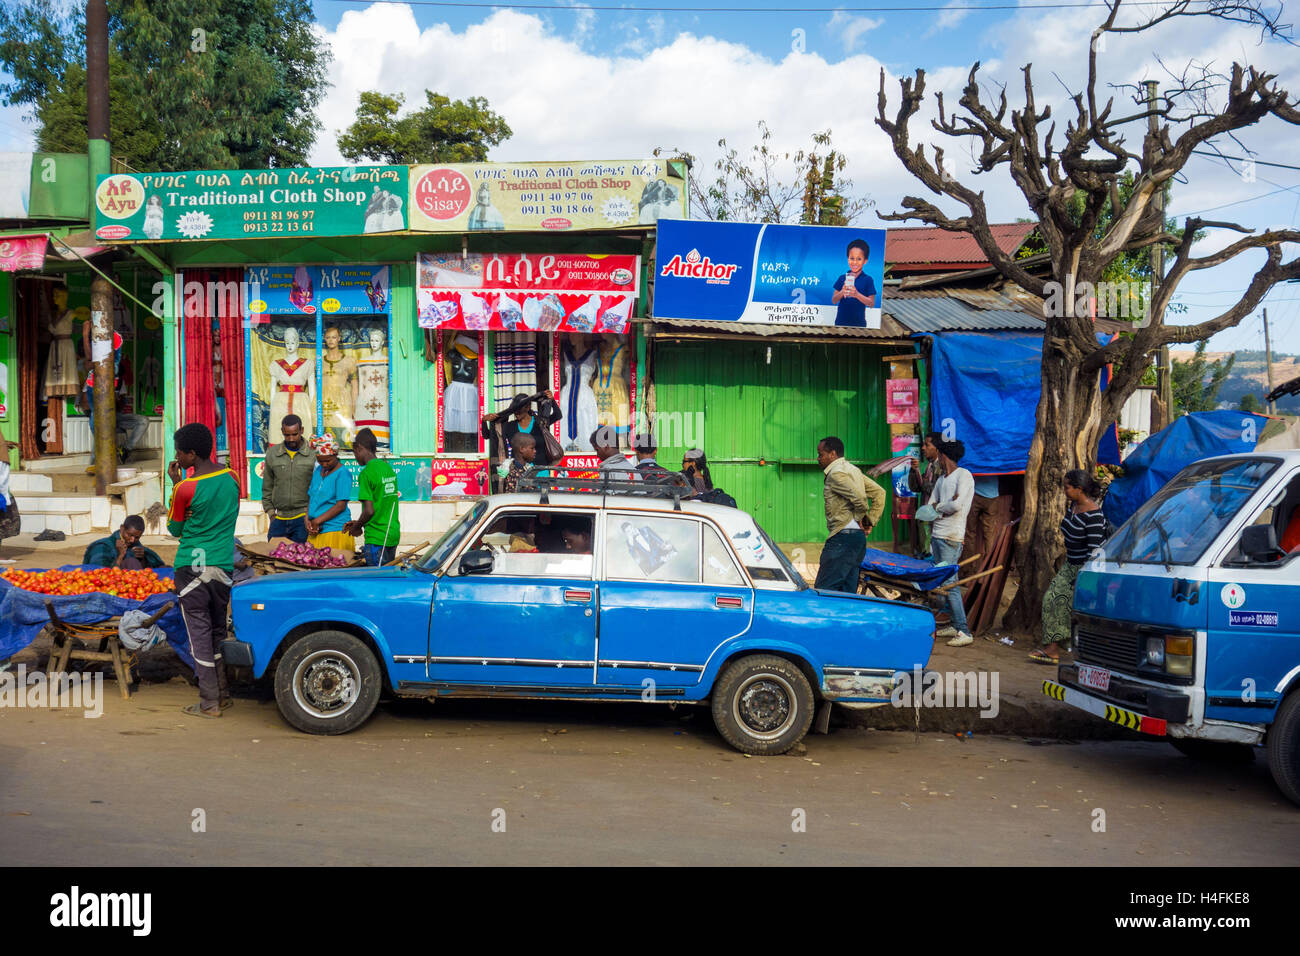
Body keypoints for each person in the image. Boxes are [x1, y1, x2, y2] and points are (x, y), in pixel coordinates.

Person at [167, 423, 240, 718]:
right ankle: (222, 694)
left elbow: (175, 528)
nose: (177, 458)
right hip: (223, 566)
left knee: (199, 638)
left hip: (192, 566)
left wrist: (174, 485)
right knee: (218, 631)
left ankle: (209, 702)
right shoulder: (232, 477)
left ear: (192, 455)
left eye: (179, 453)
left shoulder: (186, 487)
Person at [1032, 469, 1108, 665]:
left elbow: (1095, 551)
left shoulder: (1094, 516)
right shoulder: (1073, 506)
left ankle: (1056, 648)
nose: (1064, 490)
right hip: (1070, 564)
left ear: (1079, 489)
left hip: (1085, 570)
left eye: (1067, 487)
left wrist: (1081, 578)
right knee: (1052, 599)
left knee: (1063, 603)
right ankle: (1054, 647)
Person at [815, 436, 885, 593]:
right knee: (847, 592)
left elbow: (860, 499)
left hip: (842, 538)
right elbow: (880, 493)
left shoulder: (835, 474)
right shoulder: (853, 470)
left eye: (821, 454)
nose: (818, 458)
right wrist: (869, 522)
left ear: (832, 454)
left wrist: (861, 519)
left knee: (825, 590)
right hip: (856, 539)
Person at [927, 439, 975, 646]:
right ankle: (956, 625)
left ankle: (964, 631)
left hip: (952, 536)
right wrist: (942, 506)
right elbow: (930, 507)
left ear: (942, 456)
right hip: (938, 535)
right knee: (944, 581)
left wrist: (940, 506)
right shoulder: (941, 481)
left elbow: (956, 506)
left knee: (950, 583)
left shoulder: (964, 476)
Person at [344, 427, 401, 566]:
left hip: (376, 539)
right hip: (392, 534)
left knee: (377, 582)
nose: (355, 457)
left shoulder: (366, 473)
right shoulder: (387, 468)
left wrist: (356, 527)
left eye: (354, 453)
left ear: (359, 448)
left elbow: (369, 511)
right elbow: (380, 505)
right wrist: (358, 522)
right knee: (387, 579)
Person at [261, 414, 317, 543]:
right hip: (279, 518)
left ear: (302, 430)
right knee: (273, 558)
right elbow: (267, 486)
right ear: (282, 432)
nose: (291, 439)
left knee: (301, 560)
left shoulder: (313, 455)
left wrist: (312, 516)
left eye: (295, 434)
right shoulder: (272, 453)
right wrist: (271, 513)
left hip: (303, 518)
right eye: (287, 435)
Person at [482, 391, 562, 467]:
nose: (516, 412)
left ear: (528, 407)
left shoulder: (540, 423)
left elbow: (558, 415)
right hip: (519, 473)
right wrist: (484, 421)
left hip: (540, 471)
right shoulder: (510, 426)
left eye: (519, 409)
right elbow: (487, 435)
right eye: (514, 409)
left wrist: (552, 400)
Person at [305, 435, 355, 552]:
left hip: (335, 530)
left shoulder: (343, 473)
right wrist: (307, 519)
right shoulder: (318, 471)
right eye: (320, 461)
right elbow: (311, 497)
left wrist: (317, 520)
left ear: (335, 455)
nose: (324, 464)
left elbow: (340, 505)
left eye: (328, 461)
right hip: (316, 530)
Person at [82, 515, 165, 569]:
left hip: (135, 585)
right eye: (129, 535)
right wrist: (120, 556)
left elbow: (146, 570)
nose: (132, 540)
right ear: (122, 528)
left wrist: (142, 559)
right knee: (131, 562)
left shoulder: (136, 546)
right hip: (112, 587)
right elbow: (99, 574)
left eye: (137, 537)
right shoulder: (102, 546)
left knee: (165, 568)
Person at [908, 432, 944, 557]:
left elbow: (935, 490)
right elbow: (915, 487)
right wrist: (914, 471)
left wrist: (921, 478)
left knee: (932, 552)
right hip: (926, 516)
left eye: (927, 445)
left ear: (937, 448)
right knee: (925, 550)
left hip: (934, 518)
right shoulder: (928, 465)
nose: (923, 448)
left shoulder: (942, 467)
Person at [830, 239, 878, 327]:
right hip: (840, 324)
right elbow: (834, 300)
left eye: (859, 259)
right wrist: (842, 292)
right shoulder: (842, 278)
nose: (855, 262)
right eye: (852, 258)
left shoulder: (868, 279)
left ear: (865, 260)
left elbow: (871, 303)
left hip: (859, 325)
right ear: (847, 258)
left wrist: (857, 294)